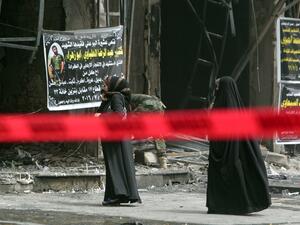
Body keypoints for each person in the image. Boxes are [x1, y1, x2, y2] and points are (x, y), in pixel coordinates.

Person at [206, 76, 271, 214]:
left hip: (225, 154)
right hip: (235, 156)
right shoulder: (240, 111)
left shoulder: (219, 108)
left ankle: (222, 206)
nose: (216, 90)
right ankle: (240, 206)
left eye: (218, 87)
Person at [96, 75, 141, 206]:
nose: (103, 86)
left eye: (106, 84)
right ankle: (118, 195)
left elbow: (118, 116)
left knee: (115, 166)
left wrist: (101, 116)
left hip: (116, 139)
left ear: (114, 85)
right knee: (116, 166)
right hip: (114, 139)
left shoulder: (116, 97)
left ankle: (118, 195)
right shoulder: (111, 97)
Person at [130, 94, 168, 169]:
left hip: (148, 105)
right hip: (160, 106)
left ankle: (129, 157)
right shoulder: (140, 97)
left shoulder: (125, 97)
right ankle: (163, 160)